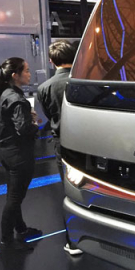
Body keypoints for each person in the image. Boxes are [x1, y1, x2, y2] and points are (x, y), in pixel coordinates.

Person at [0, 57, 41, 251]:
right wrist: (34, 124)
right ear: (15, 75)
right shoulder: (16, 98)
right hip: (19, 154)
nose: (29, 74)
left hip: (5, 151)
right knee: (15, 198)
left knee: (12, 194)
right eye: (26, 71)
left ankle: (21, 228)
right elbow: (24, 129)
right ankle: (6, 241)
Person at [37, 41, 83, 256]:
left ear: (51, 61)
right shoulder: (82, 83)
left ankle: (73, 242)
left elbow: (48, 116)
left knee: (68, 191)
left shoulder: (44, 88)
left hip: (62, 143)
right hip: (87, 143)